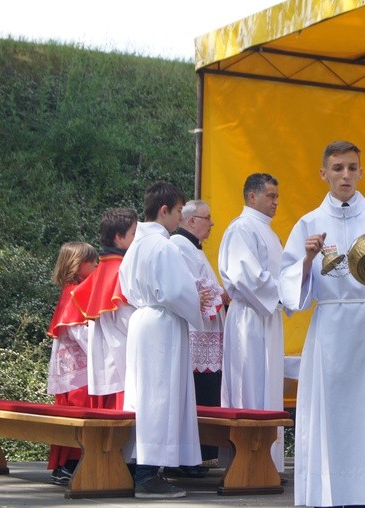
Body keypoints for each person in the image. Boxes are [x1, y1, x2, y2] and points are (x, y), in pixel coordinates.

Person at [280, 140, 365, 508]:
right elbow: (288, 285)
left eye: (352, 168)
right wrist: (307, 259)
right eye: (338, 168)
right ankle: (328, 493)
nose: (346, 175)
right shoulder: (310, 222)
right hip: (332, 325)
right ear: (324, 173)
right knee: (332, 411)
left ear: (361, 172)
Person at [119, 181, 205, 499]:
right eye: (180, 211)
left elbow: (127, 288)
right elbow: (177, 292)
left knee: (144, 396)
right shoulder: (163, 246)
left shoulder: (136, 246)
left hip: (142, 320)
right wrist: (197, 302)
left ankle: (138, 467)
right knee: (159, 397)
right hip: (162, 324)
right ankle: (147, 475)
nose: (181, 219)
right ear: (164, 210)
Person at [218, 173, 286, 472]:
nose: (276, 202)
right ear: (252, 197)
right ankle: (247, 461)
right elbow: (247, 276)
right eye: (271, 196)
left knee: (267, 385)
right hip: (248, 316)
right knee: (249, 381)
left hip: (267, 315)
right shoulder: (242, 228)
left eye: (276, 197)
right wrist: (283, 293)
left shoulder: (267, 232)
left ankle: (266, 462)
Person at [170, 199, 226, 471]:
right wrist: (223, 295)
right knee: (195, 394)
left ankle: (199, 456)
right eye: (207, 218)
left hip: (206, 331)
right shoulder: (179, 246)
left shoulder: (194, 248)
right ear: (191, 221)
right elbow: (194, 289)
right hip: (195, 331)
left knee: (204, 392)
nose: (212, 223)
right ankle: (187, 459)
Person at [71, 208, 138, 411]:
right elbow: (129, 320)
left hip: (106, 364)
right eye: (134, 234)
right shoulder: (121, 270)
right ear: (119, 237)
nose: (137, 239)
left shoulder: (102, 269)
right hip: (122, 362)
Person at [46, 241, 98, 485]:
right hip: (77, 370)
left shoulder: (71, 290)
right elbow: (79, 330)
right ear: (78, 265)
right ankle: (69, 466)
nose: (97, 265)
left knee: (71, 416)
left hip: (72, 369)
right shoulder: (74, 292)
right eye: (92, 261)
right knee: (79, 415)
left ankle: (63, 466)